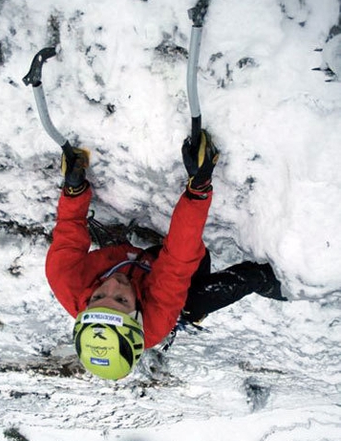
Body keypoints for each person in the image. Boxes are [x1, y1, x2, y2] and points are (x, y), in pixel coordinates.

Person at [45, 130, 285, 381]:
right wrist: (198, 188)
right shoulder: (156, 321)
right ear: (137, 316)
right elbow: (178, 259)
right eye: (121, 300)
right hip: (167, 282)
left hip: (144, 262)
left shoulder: (65, 278)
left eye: (99, 295)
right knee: (199, 299)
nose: (113, 284)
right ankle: (275, 283)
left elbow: (69, 229)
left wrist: (74, 189)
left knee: (159, 266)